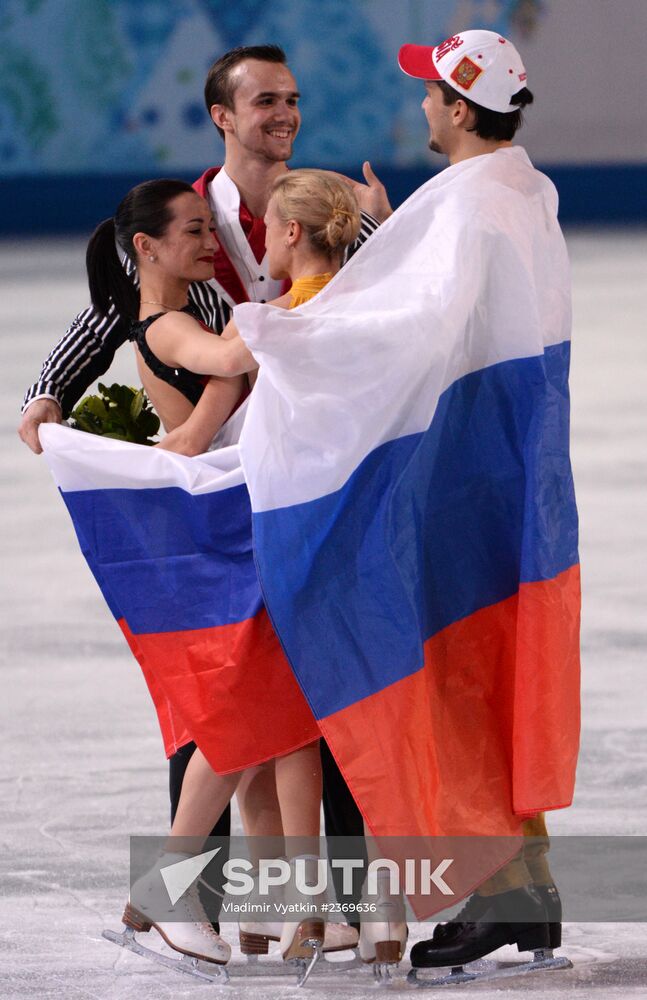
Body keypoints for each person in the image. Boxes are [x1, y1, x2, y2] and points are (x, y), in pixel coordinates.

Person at [19, 44, 388, 902]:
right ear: (222, 116)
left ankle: (329, 902)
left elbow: (395, 295)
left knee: (312, 702)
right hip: (219, 501)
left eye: (292, 99)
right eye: (265, 101)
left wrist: (388, 226)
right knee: (218, 698)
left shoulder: (327, 206)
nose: (284, 115)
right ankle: (200, 899)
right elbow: (121, 311)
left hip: (313, 485)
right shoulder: (187, 217)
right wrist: (48, 391)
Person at [80, 168, 363, 969]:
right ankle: (169, 893)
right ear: (147, 247)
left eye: (214, 227)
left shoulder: (196, 310)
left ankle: (281, 908)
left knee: (286, 731)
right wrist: (309, 288)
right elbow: (234, 358)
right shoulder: (166, 326)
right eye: (197, 231)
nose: (215, 241)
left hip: (255, 521)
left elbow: (235, 378)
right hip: (225, 536)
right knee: (243, 722)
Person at [395, 29, 569, 974]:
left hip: (463, 476)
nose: (421, 102)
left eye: (431, 89)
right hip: (523, 473)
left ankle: (503, 894)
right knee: (499, 679)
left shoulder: (460, 208)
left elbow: (408, 335)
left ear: (460, 110)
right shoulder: (526, 190)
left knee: (463, 684)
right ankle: (528, 895)